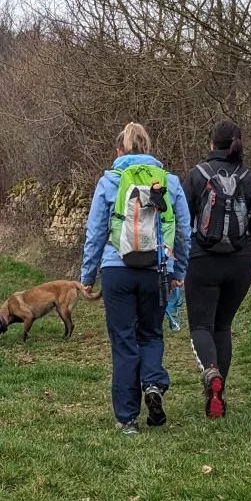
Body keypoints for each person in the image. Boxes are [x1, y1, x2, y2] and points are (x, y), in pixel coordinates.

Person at [81, 122, 190, 434]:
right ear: (148, 148)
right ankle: (153, 382)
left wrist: (88, 274)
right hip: (157, 269)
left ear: (119, 152)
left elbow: (96, 232)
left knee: (124, 341)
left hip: (117, 270)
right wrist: (178, 271)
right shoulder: (168, 181)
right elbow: (183, 230)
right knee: (152, 334)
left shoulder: (109, 182)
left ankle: (128, 419)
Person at [182, 119, 251, 419]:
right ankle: (218, 396)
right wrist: (247, 231)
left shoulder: (197, 175)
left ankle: (210, 372)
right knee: (222, 327)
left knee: (201, 326)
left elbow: (182, 215)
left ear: (211, 144)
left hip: (202, 259)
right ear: (238, 144)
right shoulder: (249, 178)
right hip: (241, 261)